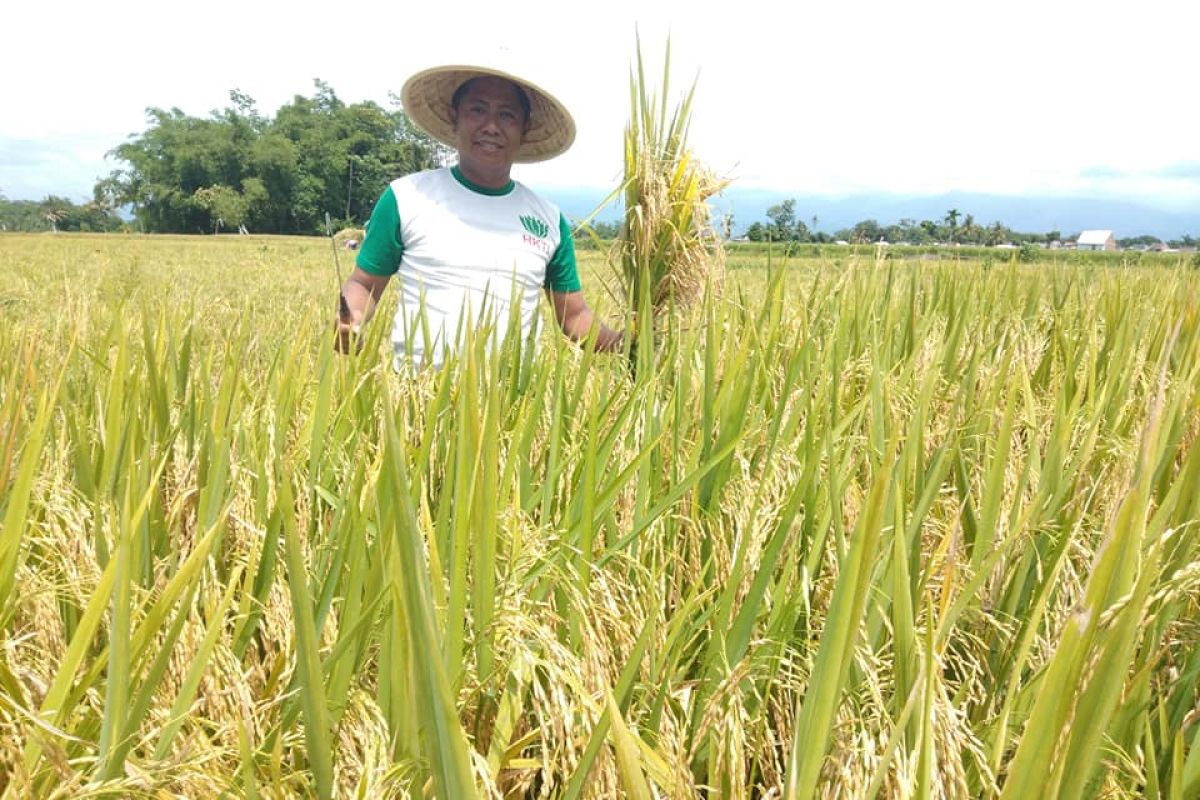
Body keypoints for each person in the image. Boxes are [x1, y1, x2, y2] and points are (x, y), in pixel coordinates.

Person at [334, 61, 622, 368]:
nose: (491, 126)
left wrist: (627, 343)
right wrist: (349, 319)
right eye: (477, 110)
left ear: (525, 129)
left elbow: (574, 316)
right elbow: (364, 283)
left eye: (507, 114)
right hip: (419, 399)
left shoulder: (549, 220)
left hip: (515, 406)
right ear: (454, 117)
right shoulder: (406, 198)